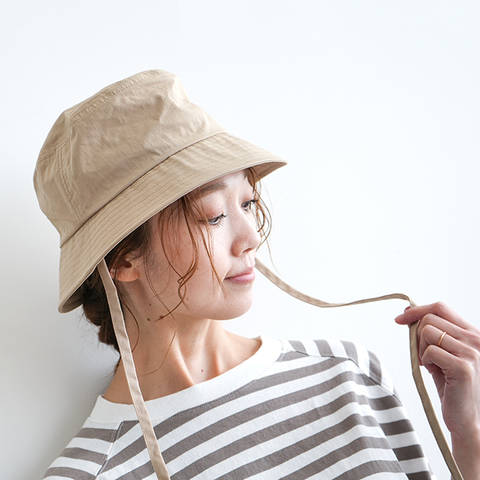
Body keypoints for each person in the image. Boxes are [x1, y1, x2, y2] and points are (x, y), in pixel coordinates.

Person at [34, 70, 480, 480]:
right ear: (123, 259)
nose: (250, 236)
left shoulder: (348, 376)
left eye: (247, 203)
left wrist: (470, 440)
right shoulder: (92, 472)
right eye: (212, 215)